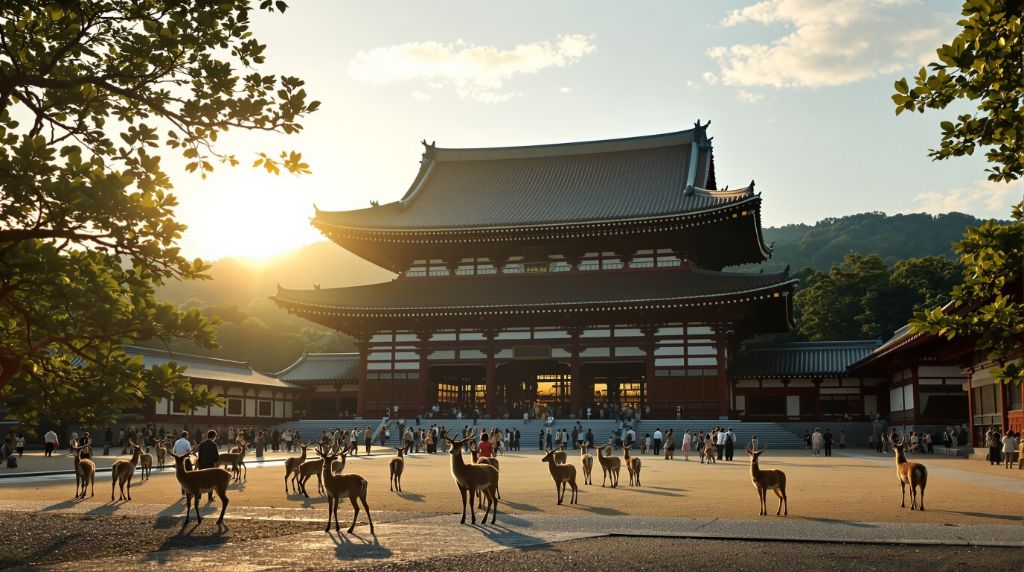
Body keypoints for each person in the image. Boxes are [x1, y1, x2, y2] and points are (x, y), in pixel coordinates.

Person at [196, 430, 220, 501]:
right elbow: (216, 457)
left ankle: (199, 496)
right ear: (214, 436)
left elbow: (199, 455)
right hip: (210, 465)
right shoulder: (213, 444)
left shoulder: (202, 444)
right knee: (210, 481)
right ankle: (210, 497)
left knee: (201, 481)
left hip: (202, 464)